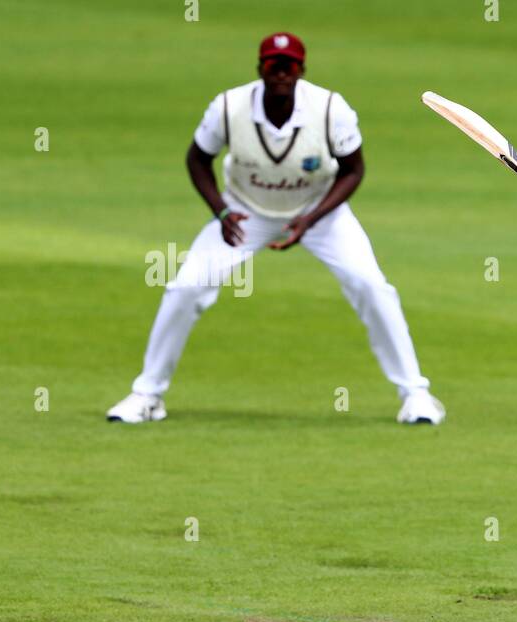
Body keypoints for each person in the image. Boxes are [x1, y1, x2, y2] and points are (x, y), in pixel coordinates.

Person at [107, 32, 444, 425]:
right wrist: (220, 212)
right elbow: (198, 160)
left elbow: (354, 170)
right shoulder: (228, 106)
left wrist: (310, 219)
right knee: (185, 286)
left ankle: (417, 396)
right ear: (260, 68)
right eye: (273, 65)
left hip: (321, 214)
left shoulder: (331, 109)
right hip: (244, 213)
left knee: (371, 285)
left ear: (301, 70)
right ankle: (147, 396)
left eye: (289, 66)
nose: (281, 73)